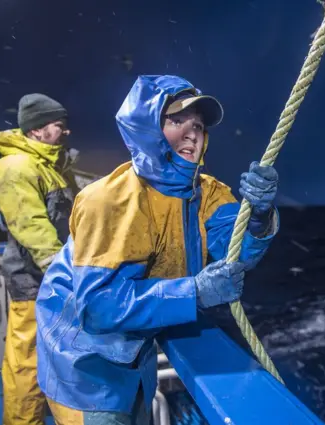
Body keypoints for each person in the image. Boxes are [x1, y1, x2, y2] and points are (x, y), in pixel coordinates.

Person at [35, 75, 280, 424]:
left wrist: (259, 217)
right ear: (145, 126)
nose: (192, 133)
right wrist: (194, 291)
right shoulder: (107, 201)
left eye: (198, 125)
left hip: (135, 350)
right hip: (81, 361)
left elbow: (237, 249)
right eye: (176, 120)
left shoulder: (206, 192)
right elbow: (100, 308)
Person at [0, 93, 79, 425]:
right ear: (37, 129)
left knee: (59, 358)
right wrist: (61, 271)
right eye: (59, 125)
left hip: (54, 284)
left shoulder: (47, 167)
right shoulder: (15, 167)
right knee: (26, 364)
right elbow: (31, 224)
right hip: (34, 284)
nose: (65, 132)